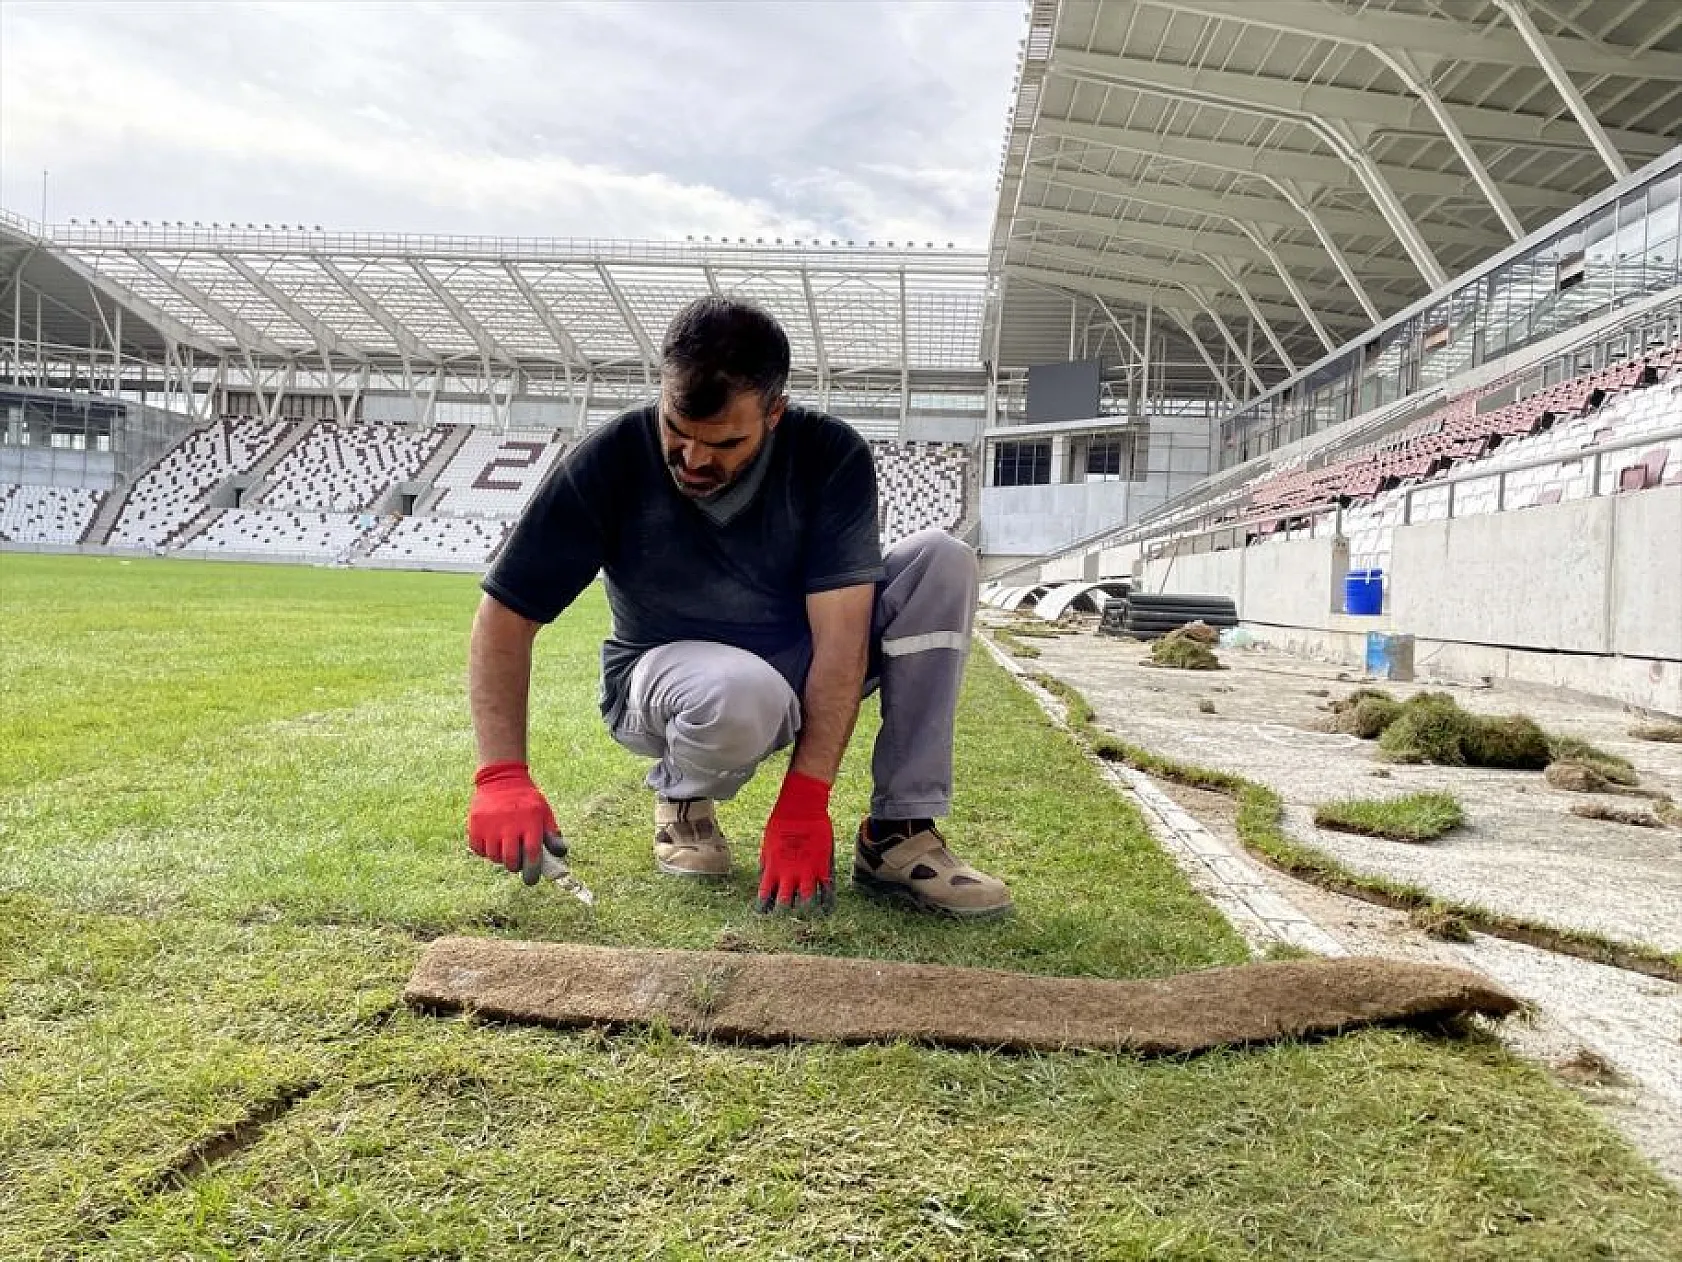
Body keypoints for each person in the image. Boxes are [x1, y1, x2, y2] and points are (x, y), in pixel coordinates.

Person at [464, 296, 1010, 918]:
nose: (694, 459)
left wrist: (805, 801)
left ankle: (899, 833)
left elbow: (841, 640)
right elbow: (505, 615)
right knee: (736, 690)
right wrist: (501, 774)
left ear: (775, 413)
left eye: (723, 442)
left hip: (795, 664)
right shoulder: (608, 458)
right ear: (662, 390)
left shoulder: (829, 456)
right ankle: (684, 800)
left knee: (942, 560)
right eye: (676, 428)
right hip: (667, 678)